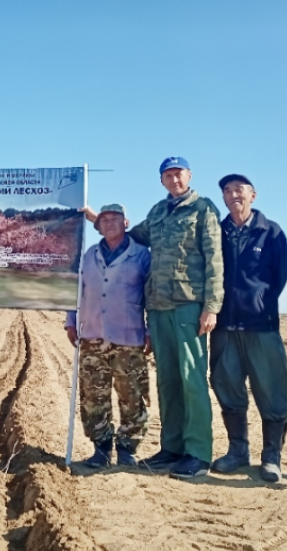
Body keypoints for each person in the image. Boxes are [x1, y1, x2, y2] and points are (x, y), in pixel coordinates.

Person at [86, 157, 224, 478]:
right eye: (168, 175)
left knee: (191, 379)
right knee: (168, 381)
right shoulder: (158, 213)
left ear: (188, 176)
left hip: (190, 305)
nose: (174, 179)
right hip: (158, 308)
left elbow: (215, 259)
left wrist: (212, 306)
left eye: (178, 174)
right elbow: (129, 235)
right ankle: (172, 447)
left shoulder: (203, 210)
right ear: (161, 180)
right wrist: (96, 218)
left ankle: (198, 453)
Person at [209, 174, 287, 482]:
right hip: (224, 326)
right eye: (227, 191)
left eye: (239, 190)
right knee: (227, 387)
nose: (233, 195)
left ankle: (272, 456)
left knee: (272, 390)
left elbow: (279, 277)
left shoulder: (271, 233)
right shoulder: (216, 232)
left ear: (253, 195)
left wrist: (260, 302)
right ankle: (237, 451)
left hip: (261, 326)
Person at [65, 204, 151, 468]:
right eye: (104, 220)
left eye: (115, 219)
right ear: (97, 226)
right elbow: (74, 290)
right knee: (93, 396)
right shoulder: (88, 256)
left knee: (132, 395)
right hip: (92, 335)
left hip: (129, 336)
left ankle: (128, 447)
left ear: (126, 223)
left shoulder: (142, 256)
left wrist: (151, 330)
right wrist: (71, 321)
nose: (109, 223)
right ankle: (101, 448)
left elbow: (152, 294)